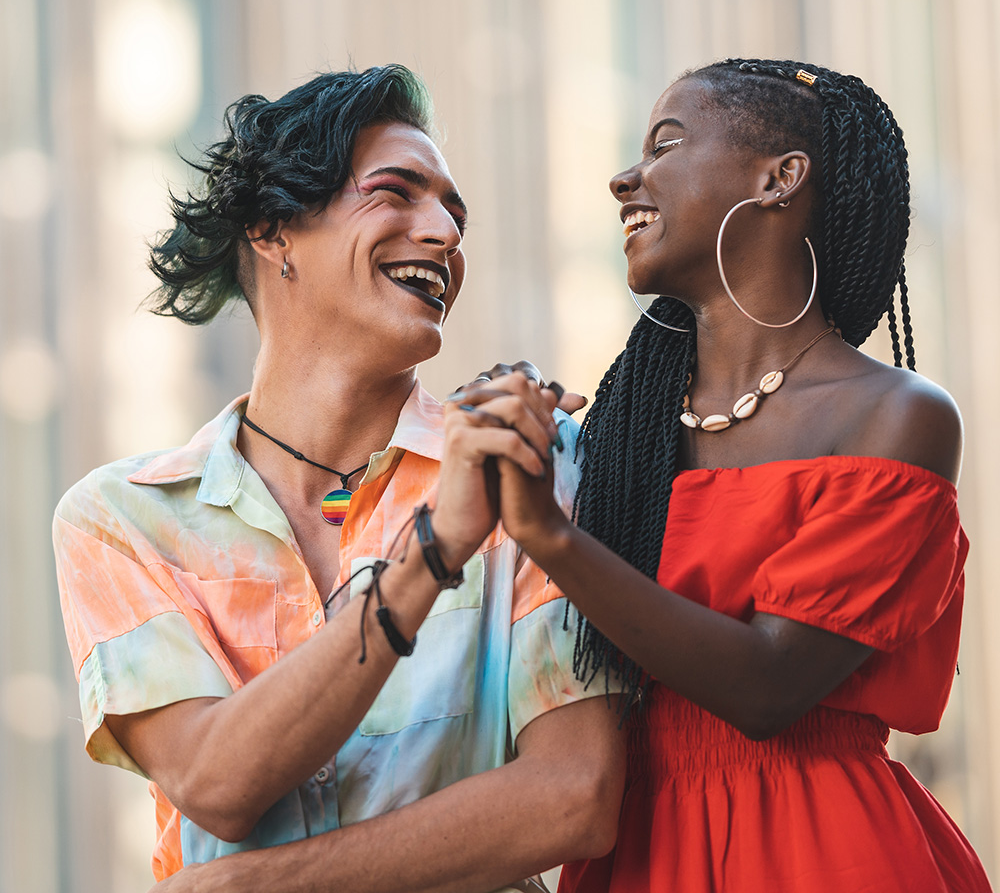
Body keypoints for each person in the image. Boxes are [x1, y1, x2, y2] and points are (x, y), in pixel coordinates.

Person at [52, 64, 625, 892]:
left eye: (454, 212)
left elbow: (576, 797)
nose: (444, 232)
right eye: (397, 193)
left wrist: (260, 886)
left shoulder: (535, 466)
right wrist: (430, 557)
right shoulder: (122, 519)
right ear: (272, 229)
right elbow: (218, 784)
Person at [457, 59, 992, 891]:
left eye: (665, 145)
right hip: (633, 847)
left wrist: (552, 537)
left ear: (779, 180)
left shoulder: (895, 417)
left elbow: (768, 687)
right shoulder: (618, 435)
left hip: (818, 851)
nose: (623, 178)